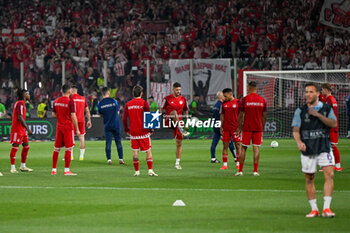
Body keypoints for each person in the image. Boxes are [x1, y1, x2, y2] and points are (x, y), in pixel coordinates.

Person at [292, 83, 337, 218]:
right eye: (306, 92)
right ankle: (314, 209)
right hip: (308, 149)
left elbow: (334, 124)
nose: (308, 94)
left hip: (324, 147)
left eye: (311, 92)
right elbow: (295, 129)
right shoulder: (300, 110)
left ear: (318, 94)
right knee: (309, 178)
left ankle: (327, 208)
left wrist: (317, 115)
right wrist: (299, 142)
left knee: (329, 175)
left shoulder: (327, 108)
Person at [123, 85, 158, 176]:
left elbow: (124, 118)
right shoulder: (144, 103)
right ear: (141, 93)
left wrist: (126, 129)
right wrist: (150, 130)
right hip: (143, 131)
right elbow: (148, 116)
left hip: (133, 132)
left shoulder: (128, 104)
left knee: (135, 152)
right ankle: (150, 170)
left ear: (133, 93)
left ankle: (137, 171)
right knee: (148, 151)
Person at [236, 81, 267, 176]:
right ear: (257, 88)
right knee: (256, 148)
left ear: (248, 88)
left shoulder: (245, 99)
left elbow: (241, 115)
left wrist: (239, 127)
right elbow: (264, 116)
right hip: (258, 127)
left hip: (247, 127)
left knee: (243, 148)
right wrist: (262, 127)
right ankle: (255, 171)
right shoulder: (262, 100)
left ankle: (240, 171)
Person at [160, 82, 190, 170]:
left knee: (179, 143)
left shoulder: (183, 99)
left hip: (178, 122)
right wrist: (158, 117)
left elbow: (186, 111)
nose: (178, 91)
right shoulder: (167, 98)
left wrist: (187, 121)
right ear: (173, 89)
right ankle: (181, 129)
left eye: (179, 90)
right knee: (174, 112)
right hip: (169, 120)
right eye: (177, 90)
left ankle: (177, 163)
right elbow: (161, 108)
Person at [51, 84, 80, 176]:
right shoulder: (70, 102)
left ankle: (54, 170)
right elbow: (73, 116)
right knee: (69, 148)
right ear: (69, 91)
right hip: (68, 127)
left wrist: (61, 117)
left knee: (56, 149)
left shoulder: (56, 101)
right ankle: (66, 170)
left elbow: (53, 115)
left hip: (59, 127)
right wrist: (77, 129)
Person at [9, 89, 33, 173]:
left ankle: (23, 166)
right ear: (24, 95)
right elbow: (20, 117)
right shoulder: (20, 104)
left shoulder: (22, 103)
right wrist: (28, 128)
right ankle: (12, 168)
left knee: (26, 146)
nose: (29, 95)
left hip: (21, 129)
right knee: (15, 147)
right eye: (27, 94)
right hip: (17, 129)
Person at [98, 87, 124, 165]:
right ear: (108, 93)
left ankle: (109, 160)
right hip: (116, 124)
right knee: (118, 142)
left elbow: (100, 114)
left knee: (108, 143)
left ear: (102, 94)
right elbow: (118, 112)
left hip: (107, 125)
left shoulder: (100, 103)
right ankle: (121, 159)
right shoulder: (114, 101)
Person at [210, 91, 237, 164]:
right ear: (221, 97)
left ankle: (213, 158)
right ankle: (235, 157)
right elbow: (223, 116)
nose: (225, 97)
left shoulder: (215, 105)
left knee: (214, 142)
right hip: (221, 125)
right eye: (224, 96)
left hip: (215, 125)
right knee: (229, 142)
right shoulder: (222, 105)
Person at [321, 83, 341, 171]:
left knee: (332, 146)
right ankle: (330, 165)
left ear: (326, 89)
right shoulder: (328, 100)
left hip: (331, 126)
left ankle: (337, 166)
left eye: (322, 89)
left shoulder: (331, 100)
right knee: (327, 145)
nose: (322, 91)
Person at [219, 89, 240, 169]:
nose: (224, 98)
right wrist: (221, 126)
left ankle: (238, 164)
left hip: (235, 128)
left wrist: (240, 127)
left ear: (230, 94)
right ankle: (225, 165)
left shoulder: (238, 102)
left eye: (225, 96)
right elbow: (222, 115)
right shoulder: (224, 103)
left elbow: (242, 115)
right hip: (226, 128)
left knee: (238, 145)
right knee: (225, 146)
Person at [71, 85, 92, 160]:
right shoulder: (83, 99)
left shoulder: (71, 98)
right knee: (82, 138)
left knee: (71, 138)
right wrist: (89, 120)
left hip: (73, 120)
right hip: (82, 120)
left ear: (72, 90)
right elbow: (87, 110)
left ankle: (71, 156)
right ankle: (81, 156)